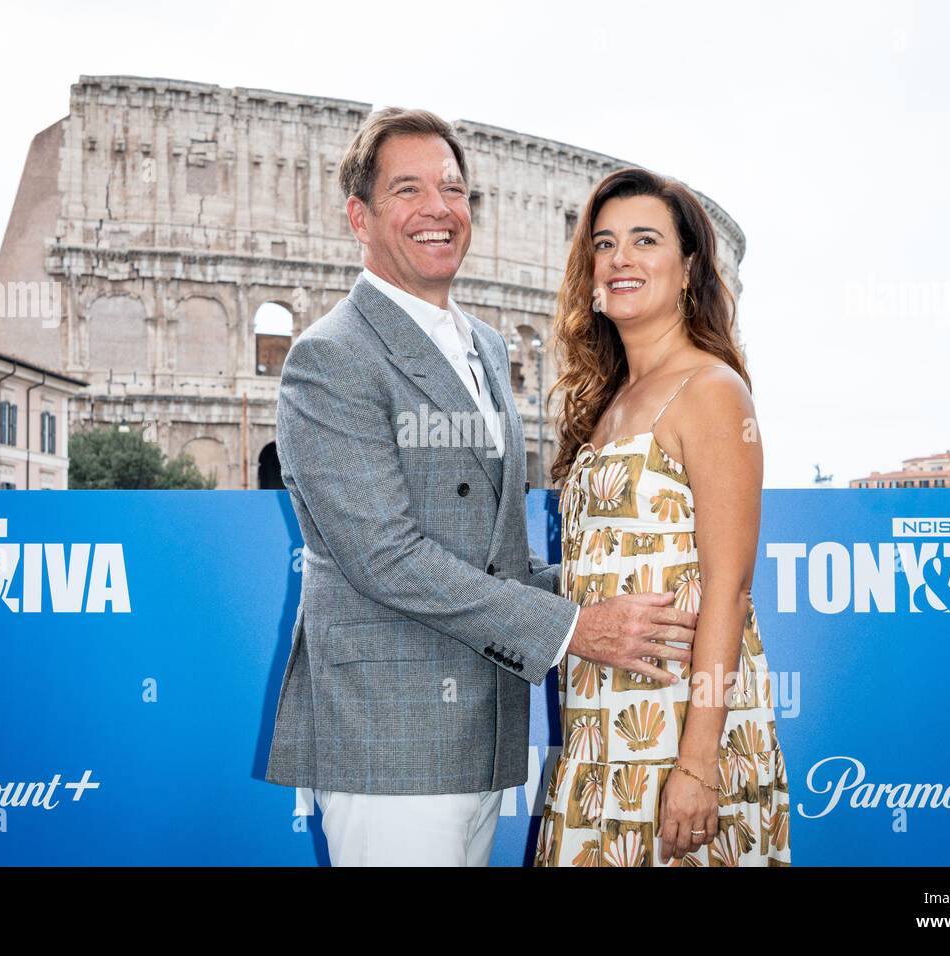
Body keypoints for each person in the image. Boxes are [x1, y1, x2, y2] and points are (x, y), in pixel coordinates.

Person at [262, 109, 700, 866]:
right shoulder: (330, 358)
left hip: (486, 737)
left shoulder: (488, 349)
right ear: (359, 217)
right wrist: (574, 629)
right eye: (409, 190)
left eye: (454, 189)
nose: (439, 208)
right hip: (389, 745)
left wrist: (624, 582)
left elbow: (495, 559)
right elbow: (387, 558)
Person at [533, 167, 792, 867]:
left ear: (687, 270)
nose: (620, 258)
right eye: (606, 242)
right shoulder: (609, 402)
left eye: (645, 240)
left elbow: (730, 588)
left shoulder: (711, 390)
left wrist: (699, 765)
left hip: (677, 735)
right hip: (598, 732)